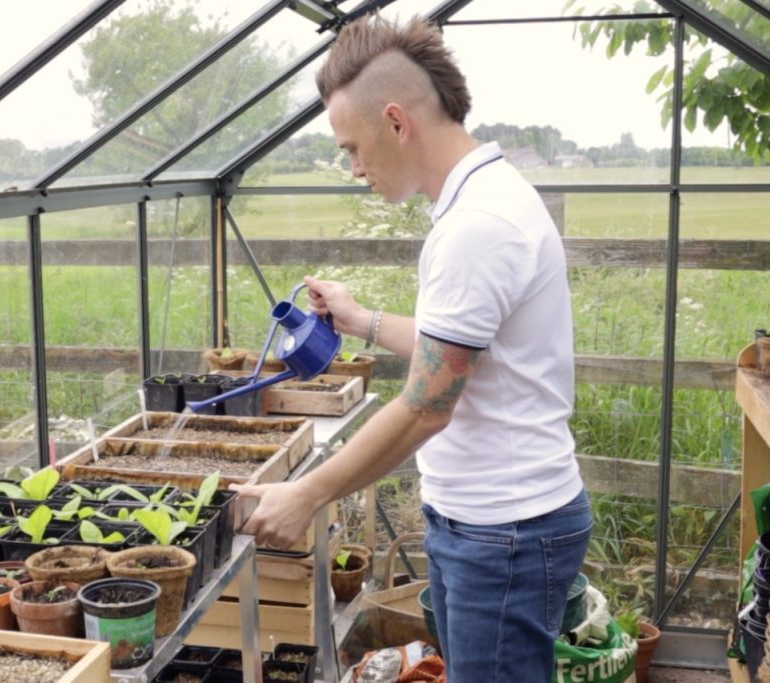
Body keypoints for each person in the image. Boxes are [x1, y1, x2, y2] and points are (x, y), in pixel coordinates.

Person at [230, 13, 592, 683]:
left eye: (352, 147)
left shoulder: (478, 225)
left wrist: (306, 492)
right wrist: (359, 317)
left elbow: (428, 404)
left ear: (396, 121)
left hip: (503, 530)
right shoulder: (478, 201)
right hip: (489, 523)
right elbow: (457, 351)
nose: (354, 167)